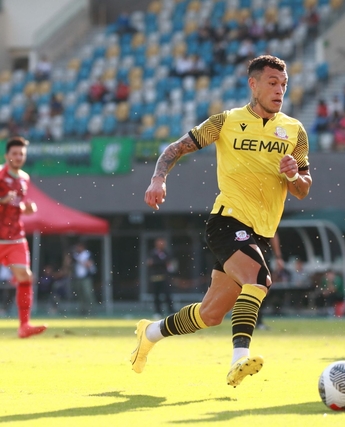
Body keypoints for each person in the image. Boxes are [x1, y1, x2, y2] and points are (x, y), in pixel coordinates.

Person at [130, 55, 312, 387]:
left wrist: (292, 176)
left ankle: (150, 332)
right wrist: (158, 179)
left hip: (261, 231)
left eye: (284, 84)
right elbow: (175, 148)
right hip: (227, 220)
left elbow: (303, 189)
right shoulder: (226, 121)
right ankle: (239, 358)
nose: (280, 90)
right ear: (253, 84)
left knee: (210, 314)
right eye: (272, 83)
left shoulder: (295, 131)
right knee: (259, 279)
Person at [0, 137, 46, 338]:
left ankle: (24, 325)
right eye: (15, 153)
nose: (18, 157)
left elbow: (16, 205)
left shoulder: (24, 178)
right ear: (6, 155)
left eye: (22, 154)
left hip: (15, 237)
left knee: (25, 276)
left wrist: (28, 209)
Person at [146, 237, 175, 318]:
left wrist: (156, 263)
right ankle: (158, 312)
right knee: (156, 296)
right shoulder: (152, 253)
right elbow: (149, 263)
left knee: (168, 295)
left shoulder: (167, 253)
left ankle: (171, 311)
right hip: (155, 278)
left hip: (165, 277)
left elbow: (169, 264)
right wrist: (161, 263)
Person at [69, 242, 97, 316]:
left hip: (86, 278)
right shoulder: (76, 255)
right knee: (80, 295)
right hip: (78, 278)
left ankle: (92, 311)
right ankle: (82, 311)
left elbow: (89, 264)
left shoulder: (87, 254)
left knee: (88, 294)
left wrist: (79, 260)